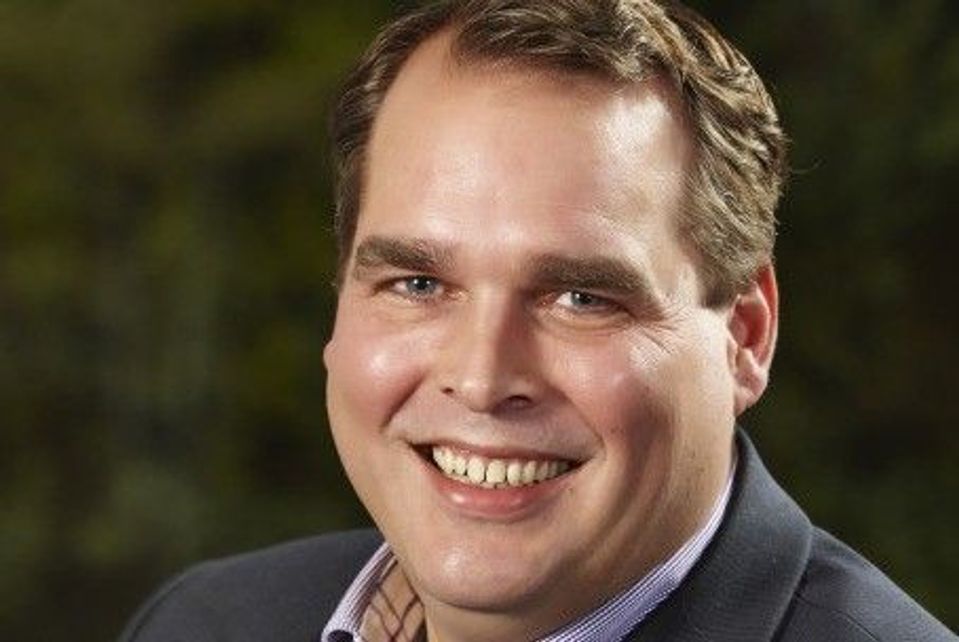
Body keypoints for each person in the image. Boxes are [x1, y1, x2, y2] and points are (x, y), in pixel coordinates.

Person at [118, 1, 955, 640]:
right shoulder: (205, 623)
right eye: (417, 282)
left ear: (742, 337)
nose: (481, 378)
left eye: (581, 298)